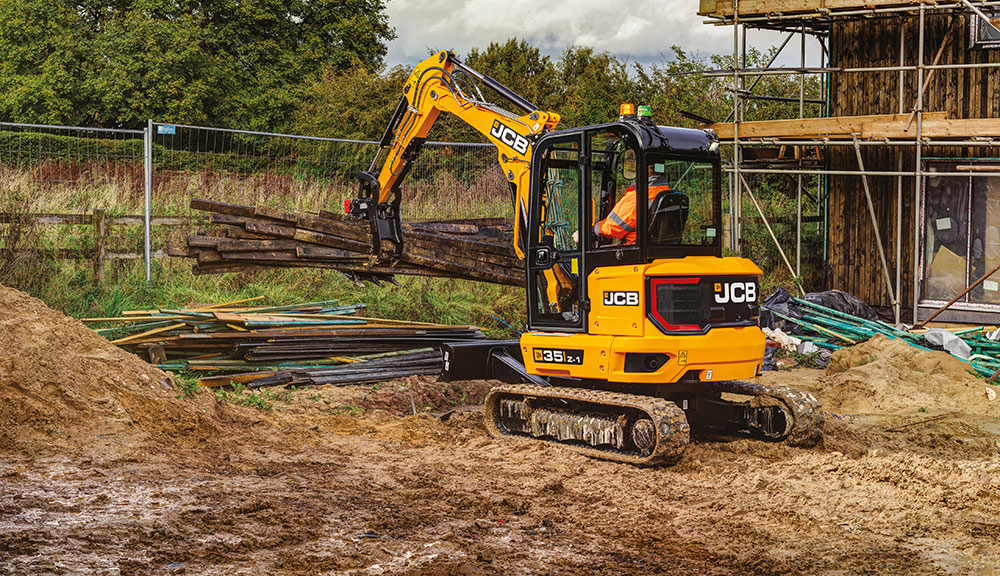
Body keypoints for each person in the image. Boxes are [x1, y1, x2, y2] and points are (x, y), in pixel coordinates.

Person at [594, 164, 671, 245]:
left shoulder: (638, 196)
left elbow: (613, 227)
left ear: (646, 169)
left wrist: (595, 229)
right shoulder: (667, 192)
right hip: (657, 247)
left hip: (633, 248)